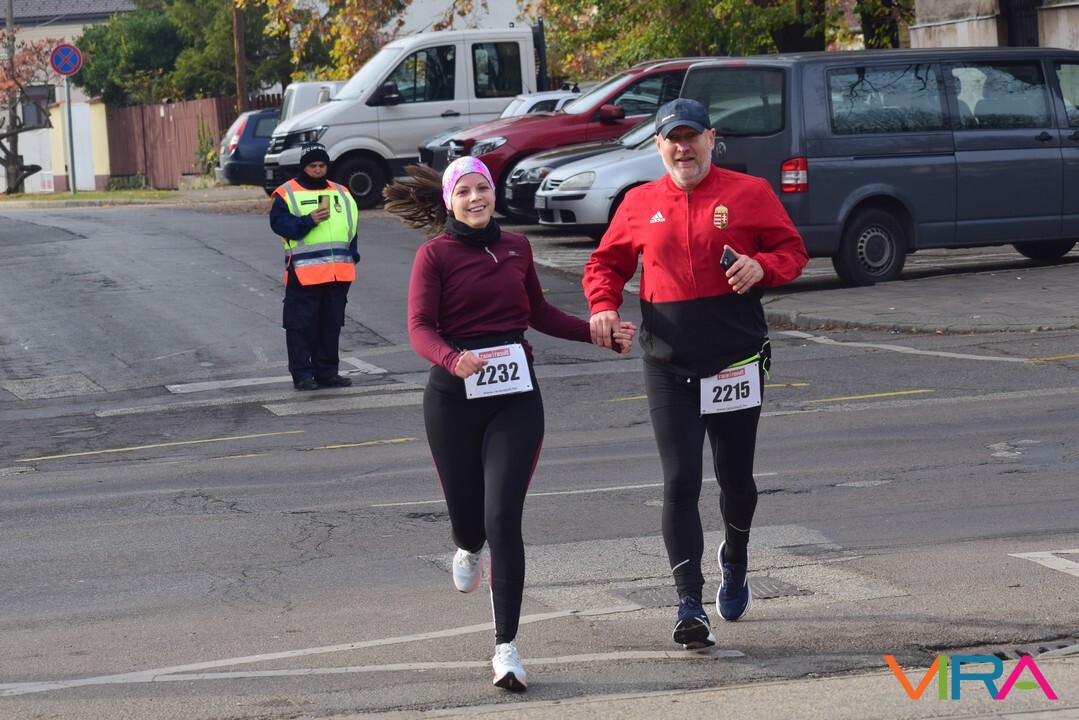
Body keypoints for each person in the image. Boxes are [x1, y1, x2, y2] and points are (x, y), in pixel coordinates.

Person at [383, 157, 636, 691]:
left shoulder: (518, 247)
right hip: (453, 399)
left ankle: (506, 649)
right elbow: (419, 327)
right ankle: (466, 545)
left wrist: (597, 333)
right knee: (471, 523)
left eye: (483, 188)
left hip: (514, 399)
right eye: (464, 191)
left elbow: (538, 314)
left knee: (503, 518)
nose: (476, 198)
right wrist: (452, 359)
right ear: (449, 201)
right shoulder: (435, 255)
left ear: (493, 193)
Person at [583, 98, 808, 650]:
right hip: (669, 362)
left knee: (735, 480)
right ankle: (689, 604)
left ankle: (736, 556)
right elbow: (605, 263)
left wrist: (763, 266)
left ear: (711, 139)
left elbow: (792, 251)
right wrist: (603, 305)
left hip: (734, 360)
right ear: (658, 146)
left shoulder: (749, 193)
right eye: (672, 139)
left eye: (691, 137)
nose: (683, 148)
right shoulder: (640, 202)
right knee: (680, 481)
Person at [269, 143, 360, 390]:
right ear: (303, 167)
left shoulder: (342, 192)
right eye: (313, 166)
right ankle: (302, 375)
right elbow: (280, 225)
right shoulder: (286, 193)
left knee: (330, 326)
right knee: (301, 327)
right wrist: (308, 221)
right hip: (304, 273)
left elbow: (352, 228)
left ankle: (327, 373)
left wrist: (353, 255)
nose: (318, 170)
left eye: (322, 165)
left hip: (338, 273)